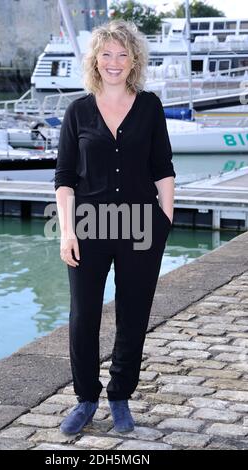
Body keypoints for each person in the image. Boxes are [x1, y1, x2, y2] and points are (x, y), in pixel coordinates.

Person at [54, 19, 175, 435]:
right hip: (87, 226)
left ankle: (120, 394)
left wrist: (166, 219)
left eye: (123, 54)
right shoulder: (77, 111)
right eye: (106, 54)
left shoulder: (150, 106)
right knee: (83, 315)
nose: (114, 61)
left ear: (134, 60)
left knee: (133, 314)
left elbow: (163, 168)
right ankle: (86, 398)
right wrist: (67, 231)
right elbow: (65, 177)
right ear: (95, 60)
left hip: (142, 225)